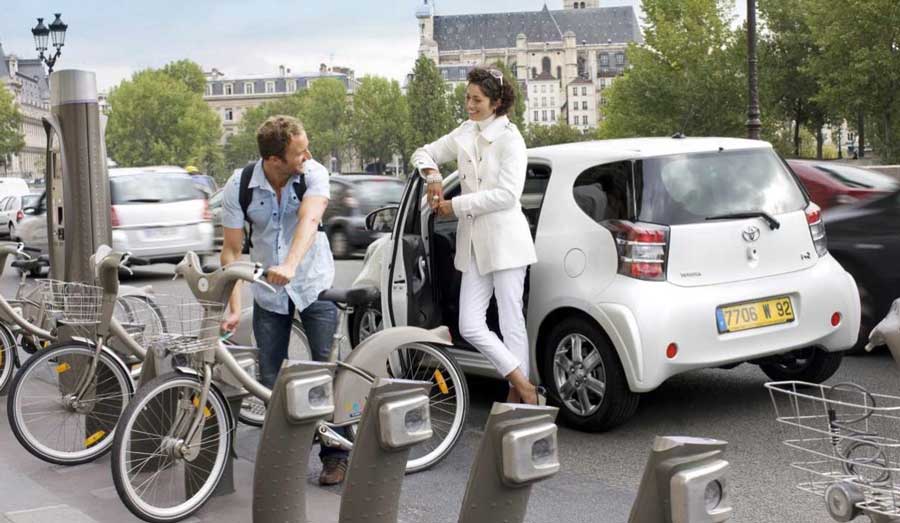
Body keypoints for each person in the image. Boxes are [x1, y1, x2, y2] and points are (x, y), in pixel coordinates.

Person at [219, 115, 348, 485]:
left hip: (312, 281)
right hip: (269, 290)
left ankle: (335, 455)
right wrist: (231, 305)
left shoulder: (313, 173)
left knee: (325, 370)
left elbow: (309, 220)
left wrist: (290, 264)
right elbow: (230, 252)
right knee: (270, 377)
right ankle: (283, 454)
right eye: (299, 151)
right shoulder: (239, 184)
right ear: (274, 161)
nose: (308, 154)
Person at [412, 67, 541, 405]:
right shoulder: (466, 131)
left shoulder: (511, 140)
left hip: (506, 241)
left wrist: (455, 205)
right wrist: (433, 176)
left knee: (512, 319)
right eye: (467, 98)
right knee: (469, 325)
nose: (469, 105)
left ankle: (518, 399)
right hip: (473, 244)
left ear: (496, 102)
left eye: (477, 100)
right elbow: (423, 151)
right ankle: (522, 384)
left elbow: (507, 196)